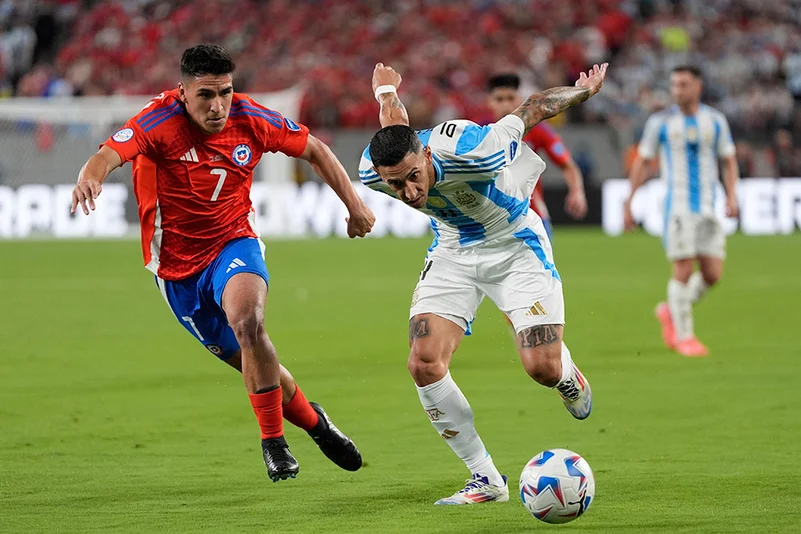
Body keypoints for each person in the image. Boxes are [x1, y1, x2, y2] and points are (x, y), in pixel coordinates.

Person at [71, 44, 375, 482]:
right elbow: (107, 155)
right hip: (176, 272)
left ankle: (272, 442)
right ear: (183, 92)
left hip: (234, 243)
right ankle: (316, 424)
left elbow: (315, 150)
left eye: (225, 93)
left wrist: (355, 206)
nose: (217, 107)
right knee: (255, 363)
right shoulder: (158, 122)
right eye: (205, 96)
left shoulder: (251, 118)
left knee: (249, 322)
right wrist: (90, 178)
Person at [359, 62, 607, 505]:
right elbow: (396, 127)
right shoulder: (375, 171)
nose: (410, 193)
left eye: (414, 177)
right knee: (423, 361)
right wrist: (384, 92)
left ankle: (568, 376)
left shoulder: (477, 149)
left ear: (428, 156)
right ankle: (486, 479)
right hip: (453, 251)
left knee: (541, 368)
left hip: (515, 245)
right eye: (397, 186)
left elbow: (532, 108)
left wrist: (581, 92)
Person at [624, 65, 739, 357]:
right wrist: (630, 200)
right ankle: (685, 337)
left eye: (684, 84)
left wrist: (732, 195)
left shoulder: (715, 120)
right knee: (684, 269)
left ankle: (669, 310)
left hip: (708, 207)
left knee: (713, 274)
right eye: (674, 84)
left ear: (697, 87)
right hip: (678, 207)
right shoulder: (660, 122)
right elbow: (643, 162)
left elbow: (728, 160)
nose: (677, 90)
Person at [485, 73, 588, 239]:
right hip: (491, 222)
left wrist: (577, 192)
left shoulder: (538, 130)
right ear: (490, 102)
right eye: (499, 99)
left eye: (510, 98)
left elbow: (567, 164)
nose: (505, 105)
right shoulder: (479, 131)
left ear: (519, 100)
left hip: (531, 217)